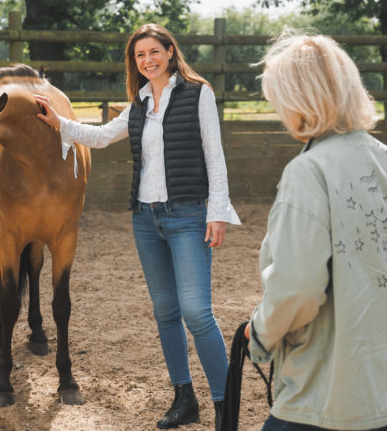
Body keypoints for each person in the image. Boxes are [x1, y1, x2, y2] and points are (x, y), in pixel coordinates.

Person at [34, 23, 239, 430]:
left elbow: (215, 156)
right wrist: (58, 122)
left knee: (198, 313)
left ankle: (224, 406)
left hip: (188, 216)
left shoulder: (199, 94)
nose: (147, 60)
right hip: (146, 219)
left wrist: (218, 212)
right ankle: (184, 399)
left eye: (153, 52)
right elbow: (101, 136)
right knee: (165, 312)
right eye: (139, 55)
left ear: (169, 51)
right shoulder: (139, 103)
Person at [244, 31, 387, 430]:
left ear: (299, 100)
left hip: (330, 395)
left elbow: (297, 287)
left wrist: (260, 334)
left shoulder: (308, 171)